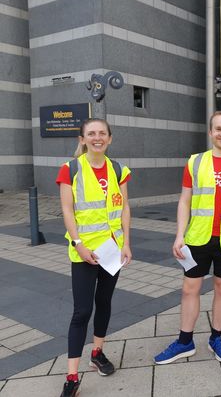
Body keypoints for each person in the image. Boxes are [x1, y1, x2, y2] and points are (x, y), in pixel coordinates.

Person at [154, 110, 221, 365]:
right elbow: (185, 200)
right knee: (190, 288)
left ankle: (216, 338)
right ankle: (184, 341)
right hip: (198, 237)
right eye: (218, 129)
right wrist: (179, 235)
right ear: (211, 132)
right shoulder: (195, 162)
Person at [56, 118, 132, 397]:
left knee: (104, 302)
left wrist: (126, 243)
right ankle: (72, 376)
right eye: (91, 134)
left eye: (102, 133)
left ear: (109, 139)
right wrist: (78, 244)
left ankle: (97, 352)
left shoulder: (118, 169)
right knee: (82, 311)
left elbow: (125, 208)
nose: (97, 138)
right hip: (85, 252)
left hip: (112, 251)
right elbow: (67, 210)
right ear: (83, 138)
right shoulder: (71, 169)